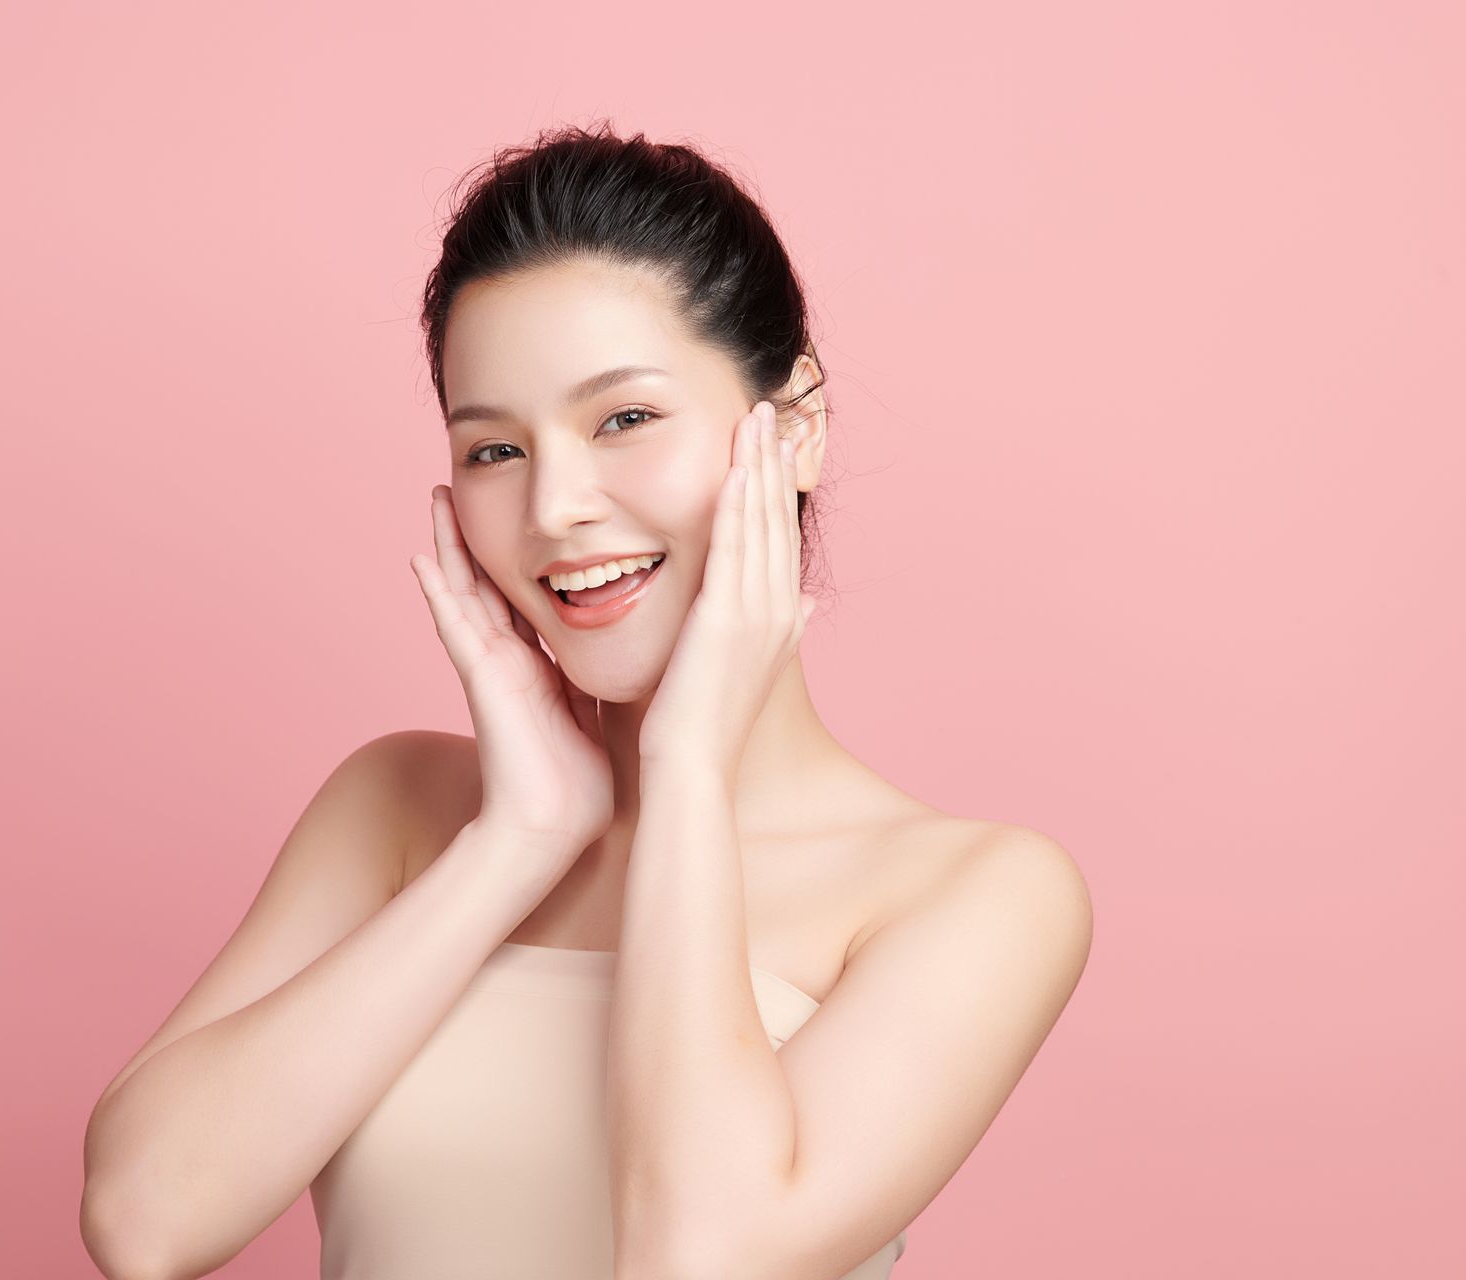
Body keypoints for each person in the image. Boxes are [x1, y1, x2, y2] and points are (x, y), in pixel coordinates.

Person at [80, 121, 1094, 1280]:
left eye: (624, 419)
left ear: (795, 423)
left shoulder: (972, 891)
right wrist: (515, 840)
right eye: (495, 450)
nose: (556, 505)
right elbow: (142, 1218)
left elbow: (695, 1257)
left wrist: (689, 777)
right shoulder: (400, 808)